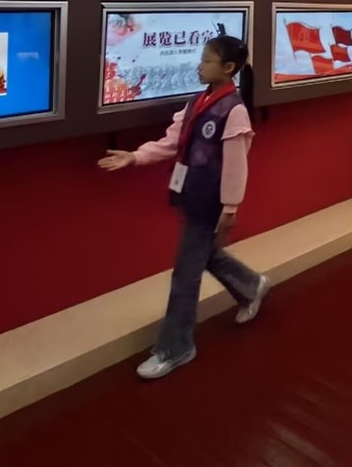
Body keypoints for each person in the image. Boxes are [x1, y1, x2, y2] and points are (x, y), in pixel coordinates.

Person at [98, 33, 271, 380]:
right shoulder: (199, 102)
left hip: (210, 203)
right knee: (204, 254)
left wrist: (230, 208)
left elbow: (236, 166)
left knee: (185, 275)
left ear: (228, 68)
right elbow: (171, 142)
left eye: (207, 60)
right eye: (201, 58)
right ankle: (251, 285)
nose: (200, 65)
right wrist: (135, 156)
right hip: (191, 195)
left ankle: (176, 348)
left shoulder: (234, 110)